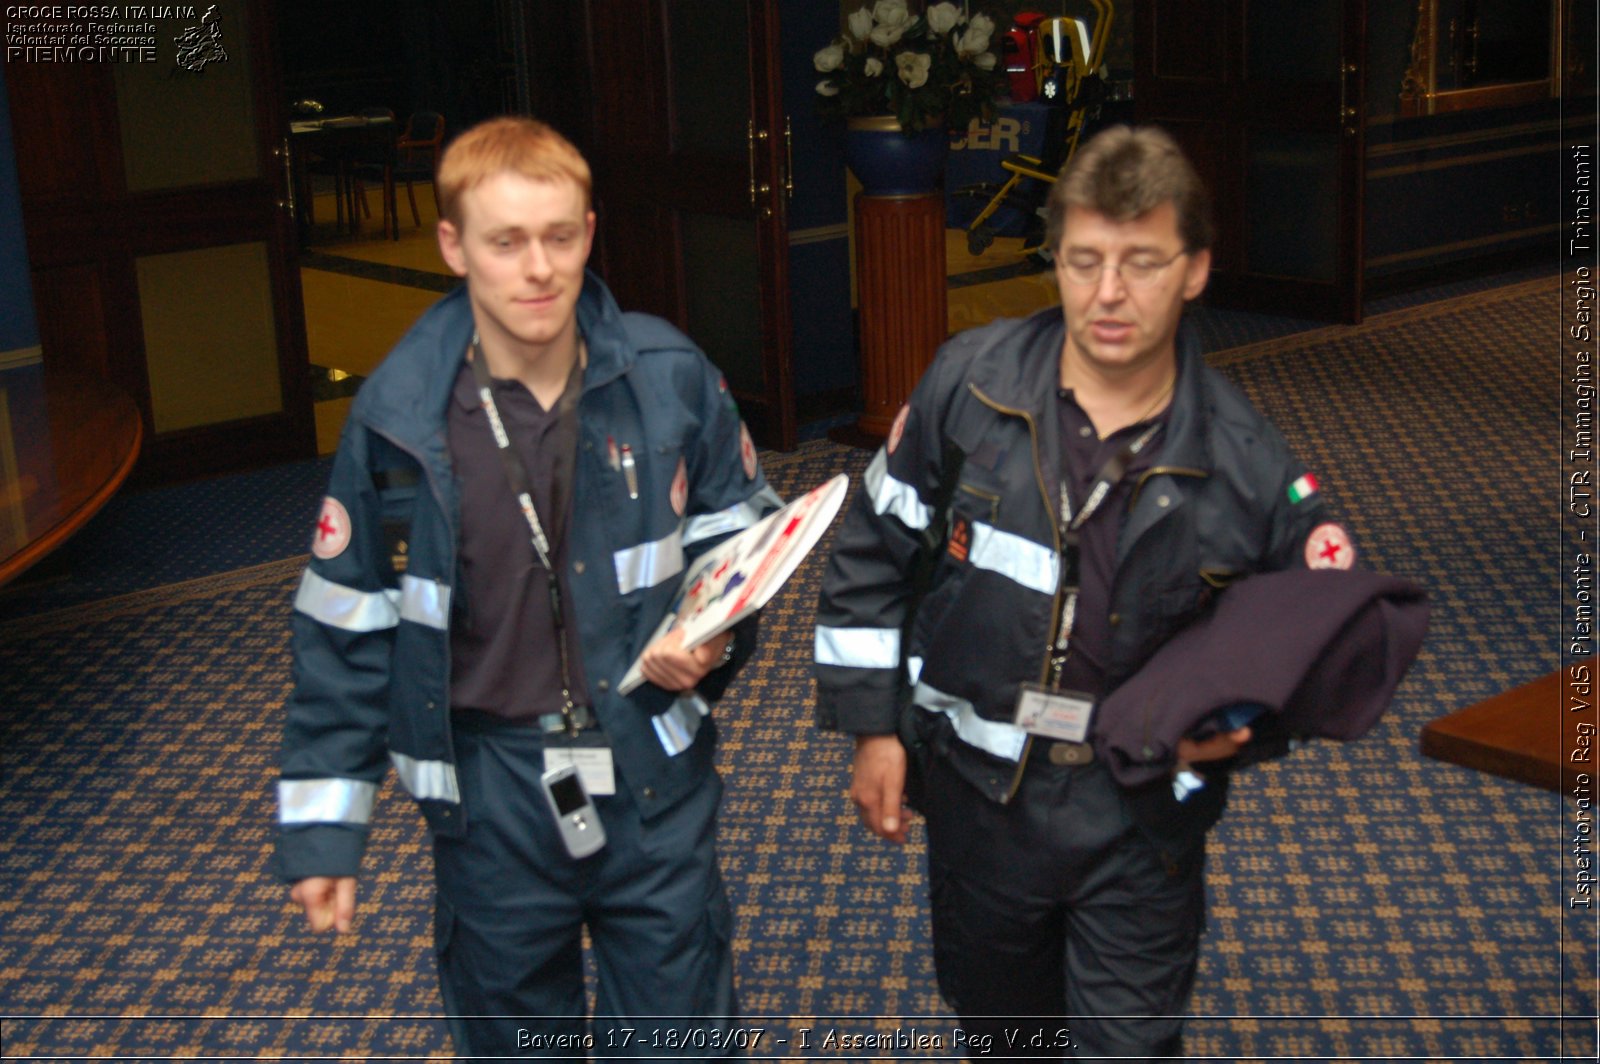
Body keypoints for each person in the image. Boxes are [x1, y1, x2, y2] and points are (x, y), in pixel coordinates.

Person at [813, 125, 1356, 1058]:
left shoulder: (1246, 462)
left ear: (1194, 270)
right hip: (982, 800)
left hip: (1138, 819)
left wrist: (1242, 732)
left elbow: (1321, 644)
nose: (1108, 294)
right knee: (1004, 1036)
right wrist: (872, 728)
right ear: (1055, 259)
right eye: (1084, 260)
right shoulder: (967, 387)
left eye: (1142, 262)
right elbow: (871, 556)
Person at [275, 116, 781, 1058]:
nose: (538, 268)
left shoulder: (668, 378)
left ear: (589, 232)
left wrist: (716, 633)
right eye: (506, 242)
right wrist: (322, 830)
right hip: (491, 793)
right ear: (453, 246)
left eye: (559, 236)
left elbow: (742, 537)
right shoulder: (396, 424)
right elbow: (347, 630)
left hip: (650, 775)